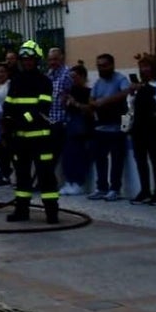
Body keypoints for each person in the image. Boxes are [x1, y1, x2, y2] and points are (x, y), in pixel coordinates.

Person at [3, 40, 59, 224]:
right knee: (22, 177)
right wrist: (8, 121)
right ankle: (21, 210)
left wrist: (21, 120)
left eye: (30, 59)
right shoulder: (16, 81)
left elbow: (42, 109)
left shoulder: (44, 81)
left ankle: (51, 212)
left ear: (37, 60)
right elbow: (9, 104)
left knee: (46, 177)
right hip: (20, 139)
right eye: (24, 59)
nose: (27, 62)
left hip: (40, 138)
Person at [88, 53, 131, 201]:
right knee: (100, 158)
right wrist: (94, 103)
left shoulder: (120, 79)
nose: (101, 68)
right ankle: (101, 187)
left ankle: (115, 189)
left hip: (118, 125)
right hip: (101, 126)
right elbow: (92, 99)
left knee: (117, 158)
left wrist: (105, 101)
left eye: (104, 65)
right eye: (99, 66)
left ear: (112, 65)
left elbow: (125, 92)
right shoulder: (98, 82)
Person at [128, 54, 156, 205]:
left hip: (153, 125)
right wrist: (132, 93)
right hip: (138, 125)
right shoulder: (141, 85)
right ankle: (145, 190)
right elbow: (131, 106)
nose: (144, 70)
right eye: (141, 67)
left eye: (147, 66)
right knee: (140, 159)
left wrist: (144, 89)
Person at [59, 63, 93, 196]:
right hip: (69, 126)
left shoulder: (88, 92)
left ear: (83, 77)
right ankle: (69, 181)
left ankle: (78, 182)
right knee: (68, 156)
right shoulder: (69, 92)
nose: (72, 80)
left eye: (75, 77)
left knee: (79, 156)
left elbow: (90, 110)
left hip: (81, 128)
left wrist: (76, 104)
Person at [46, 47, 72, 174]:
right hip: (49, 120)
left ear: (62, 58)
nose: (52, 62)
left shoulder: (67, 74)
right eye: (50, 60)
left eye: (55, 59)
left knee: (54, 153)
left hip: (61, 121)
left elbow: (69, 96)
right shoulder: (49, 74)